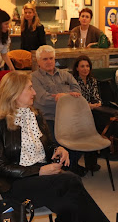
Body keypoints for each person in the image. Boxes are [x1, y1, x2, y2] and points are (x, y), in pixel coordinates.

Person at [0, 71, 118, 222]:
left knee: (69, 203)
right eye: (29, 88)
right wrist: (39, 171)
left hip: (43, 178)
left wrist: (58, 149)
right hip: (15, 183)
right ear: (14, 93)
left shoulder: (35, 115)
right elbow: (0, 166)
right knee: (71, 180)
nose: (34, 92)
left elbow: (47, 146)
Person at [31, 45, 85, 175]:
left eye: (51, 58)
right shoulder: (34, 77)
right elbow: (43, 99)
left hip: (69, 117)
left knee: (82, 138)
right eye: (45, 59)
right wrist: (68, 96)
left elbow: (78, 91)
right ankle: (65, 168)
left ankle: (70, 165)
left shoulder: (65, 75)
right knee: (56, 144)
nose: (49, 61)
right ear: (38, 61)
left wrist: (61, 96)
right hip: (48, 118)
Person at [72, 55, 102, 173]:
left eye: (87, 66)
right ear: (77, 68)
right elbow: (78, 102)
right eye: (82, 66)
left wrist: (95, 104)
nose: (85, 69)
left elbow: (96, 97)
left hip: (93, 110)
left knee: (97, 124)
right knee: (91, 126)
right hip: (78, 113)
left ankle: (92, 162)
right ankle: (89, 161)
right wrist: (89, 106)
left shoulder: (92, 80)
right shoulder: (73, 81)